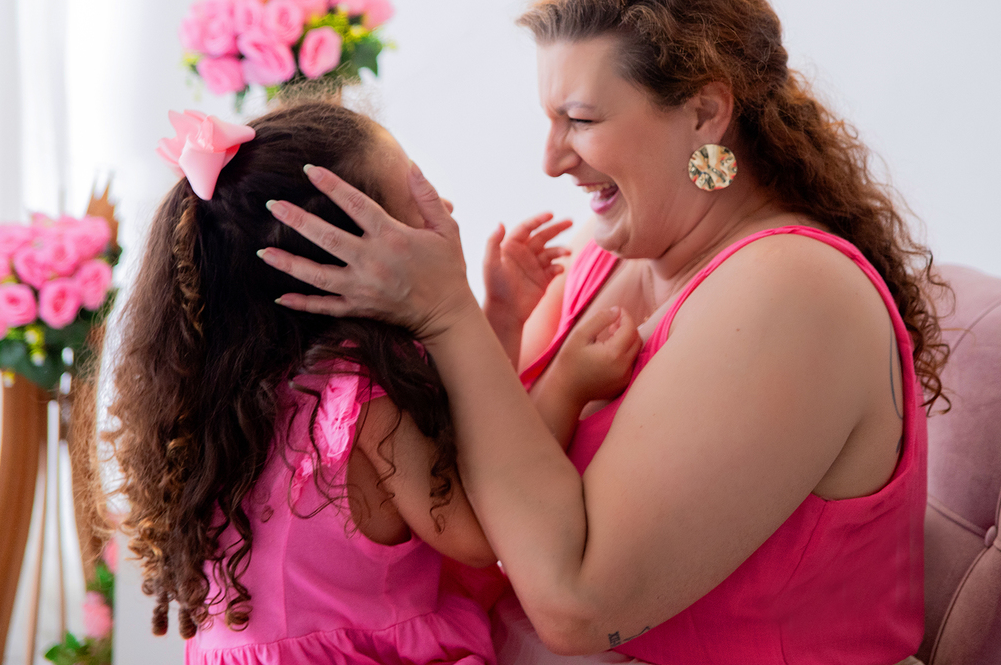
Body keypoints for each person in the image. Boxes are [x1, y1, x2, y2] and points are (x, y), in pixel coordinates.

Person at [257, 0, 948, 665]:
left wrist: (447, 314)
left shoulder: (793, 290)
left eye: (581, 121)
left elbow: (578, 610)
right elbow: (490, 458)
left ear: (707, 114)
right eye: (550, 120)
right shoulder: (605, 249)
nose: (550, 160)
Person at [106, 102, 639, 665]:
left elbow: (462, 440)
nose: (448, 211)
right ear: (346, 257)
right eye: (420, 203)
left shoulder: (245, 389)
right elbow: (485, 529)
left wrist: (502, 320)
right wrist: (565, 385)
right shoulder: (353, 396)